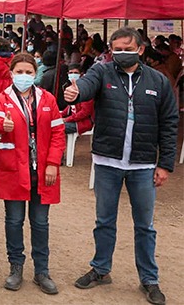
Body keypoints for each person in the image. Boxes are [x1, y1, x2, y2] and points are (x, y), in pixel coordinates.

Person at [65, 27, 177, 305]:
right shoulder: (102, 71)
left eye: (127, 48)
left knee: (145, 225)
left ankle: (149, 279)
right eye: (116, 49)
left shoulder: (157, 81)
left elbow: (169, 123)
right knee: (104, 220)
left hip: (142, 165)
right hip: (107, 162)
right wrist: (76, 92)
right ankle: (101, 270)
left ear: (140, 49)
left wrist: (164, 164)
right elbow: (87, 86)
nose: (121, 53)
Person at [0, 52, 65, 295]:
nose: (24, 76)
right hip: (14, 168)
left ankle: (42, 271)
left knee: (40, 222)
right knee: (14, 220)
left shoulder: (48, 99)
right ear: (11, 74)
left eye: (28, 72)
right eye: (19, 72)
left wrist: (53, 163)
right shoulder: (2, 98)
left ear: (36, 74)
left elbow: (57, 133)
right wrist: (3, 125)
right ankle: (16, 267)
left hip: (42, 170)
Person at [60, 63, 93, 135]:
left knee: (56, 127)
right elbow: (70, 107)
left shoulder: (86, 90)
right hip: (73, 119)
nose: (73, 75)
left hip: (82, 123)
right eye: (70, 73)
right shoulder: (71, 87)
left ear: (81, 74)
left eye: (75, 73)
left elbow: (85, 112)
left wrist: (67, 119)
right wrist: (59, 116)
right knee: (49, 123)